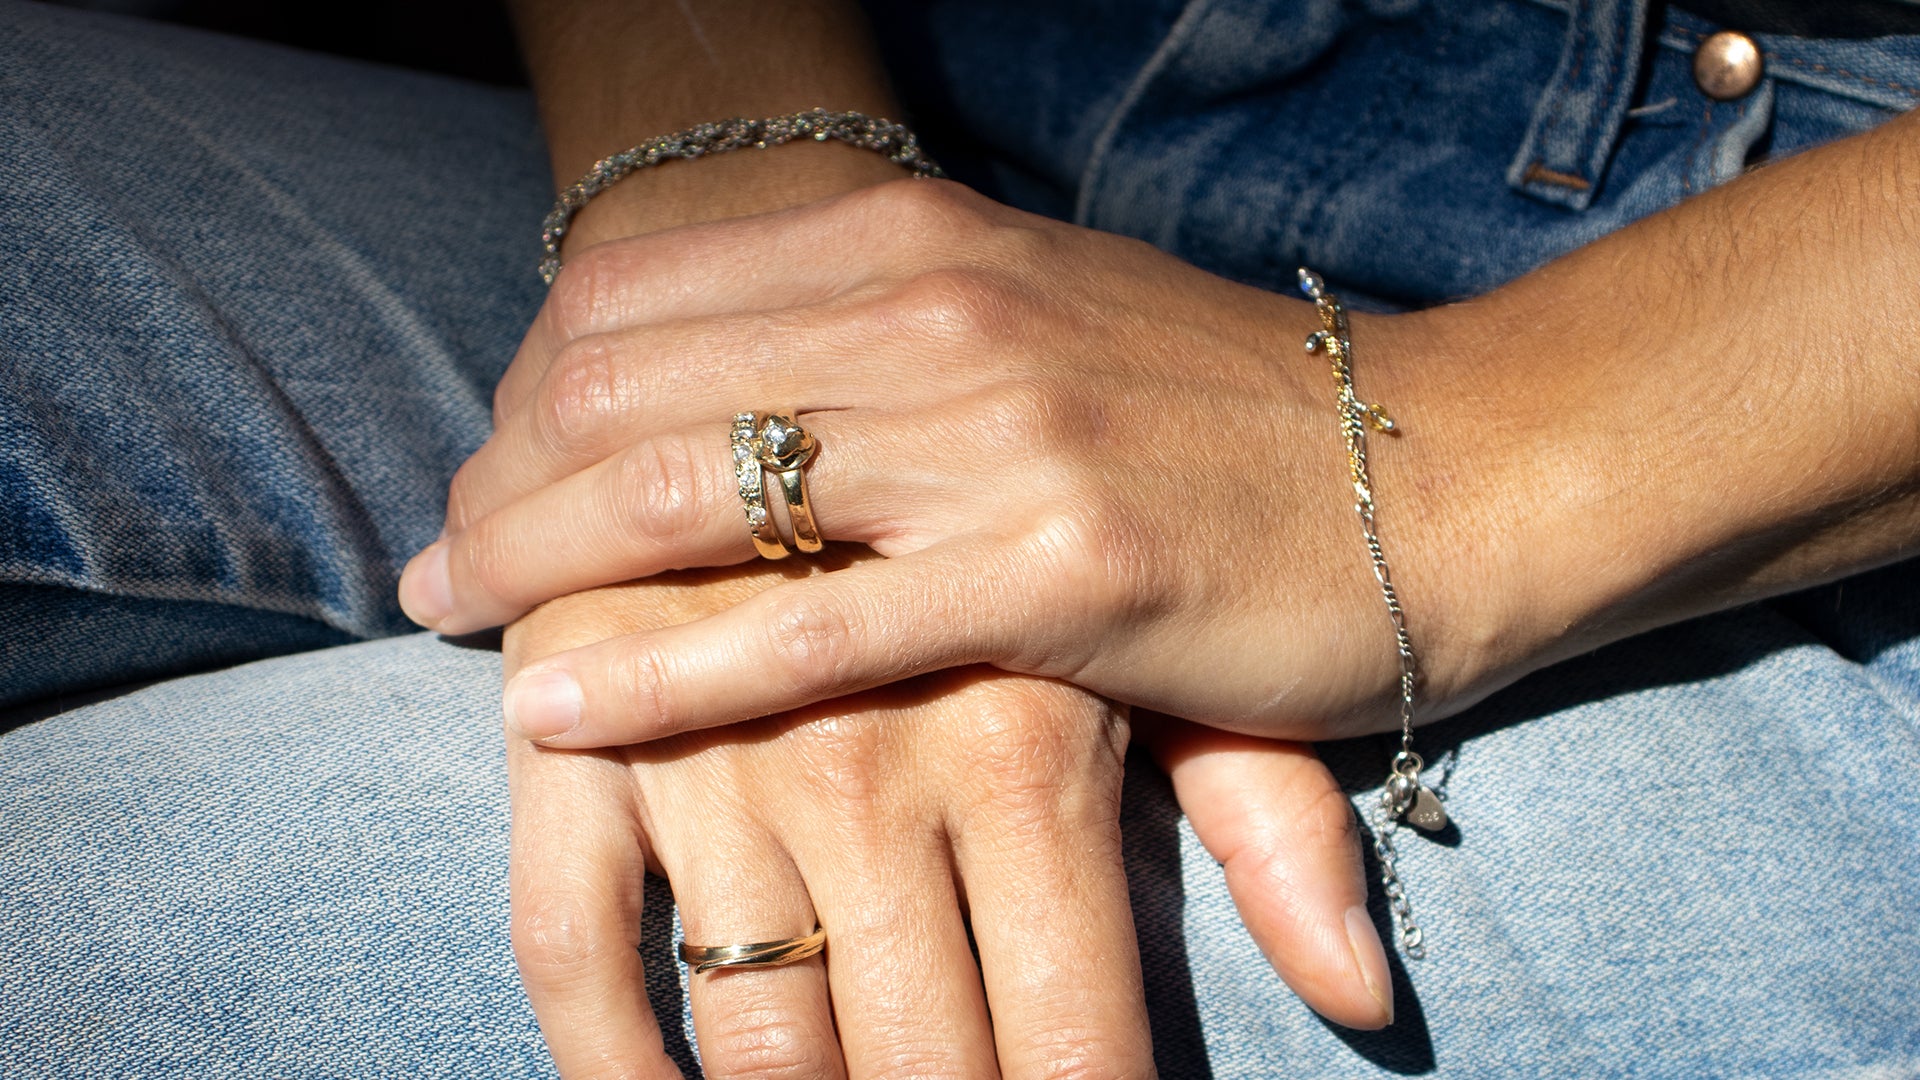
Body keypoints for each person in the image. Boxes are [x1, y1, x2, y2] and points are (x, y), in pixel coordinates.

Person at [3, 1, 1917, 1078]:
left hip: (1801, 453)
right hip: (970, 105)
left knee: (79, 947)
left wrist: (1425, 470)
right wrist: (742, 172)